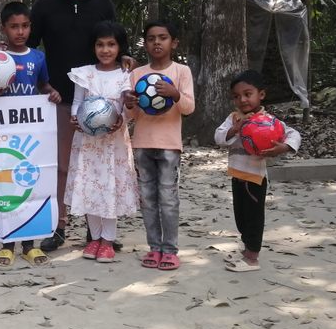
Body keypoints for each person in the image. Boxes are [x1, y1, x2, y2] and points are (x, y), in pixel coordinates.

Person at [28, 0, 128, 253]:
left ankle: (96, 232)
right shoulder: (44, 7)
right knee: (61, 167)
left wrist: (127, 61)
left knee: (97, 168)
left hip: (100, 106)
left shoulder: (103, 5)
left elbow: (116, 44)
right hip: (57, 101)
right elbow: (30, 50)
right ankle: (58, 227)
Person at [0, 1, 61, 268]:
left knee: (28, 186)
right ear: (4, 28)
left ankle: (29, 245)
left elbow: (42, 84)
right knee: (4, 186)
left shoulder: (37, 57)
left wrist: (52, 92)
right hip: (2, 135)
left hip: (29, 137)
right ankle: (6, 245)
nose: (20, 32)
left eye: (25, 26)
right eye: (14, 26)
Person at [65, 21, 139, 263]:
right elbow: (77, 101)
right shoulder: (84, 73)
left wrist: (122, 118)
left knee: (110, 188)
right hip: (87, 143)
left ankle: (108, 241)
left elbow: (129, 106)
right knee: (90, 188)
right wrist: (75, 118)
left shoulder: (126, 75)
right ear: (93, 47)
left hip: (113, 144)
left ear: (120, 47)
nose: (105, 50)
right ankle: (94, 238)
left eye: (111, 44)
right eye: (100, 44)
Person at [125, 21, 195, 271]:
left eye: (163, 37)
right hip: (142, 145)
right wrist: (129, 103)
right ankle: (154, 248)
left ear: (173, 43)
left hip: (169, 147)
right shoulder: (137, 74)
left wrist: (175, 94)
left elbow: (189, 108)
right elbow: (131, 116)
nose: (157, 42)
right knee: (147, 198)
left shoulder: (181, 71)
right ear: (145, 44)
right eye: (151, 38)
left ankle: (170, 250)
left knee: (168, 198)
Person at [214, 70, 301, 272]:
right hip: (237, 175)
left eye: (247, 94)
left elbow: (293, 134)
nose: (242, 100)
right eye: (236, 96)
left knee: (253, 218)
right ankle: (247, 249)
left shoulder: (270, 121)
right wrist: (234, 129)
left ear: (261, 94)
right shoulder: (233, 118)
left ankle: (252, 259)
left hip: (255, 178)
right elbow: (218, 137)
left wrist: (284, 147)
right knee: (241, 217)